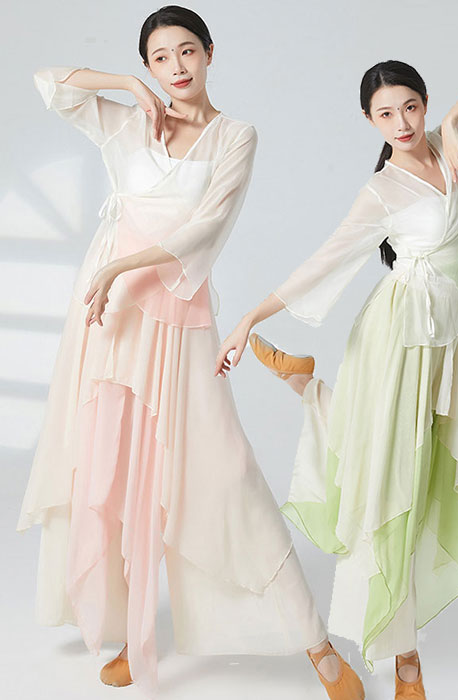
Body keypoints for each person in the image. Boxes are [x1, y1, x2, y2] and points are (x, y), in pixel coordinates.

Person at [17, 6, 364, 698]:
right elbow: (48, 81)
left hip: (174, 318)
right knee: (115, 470)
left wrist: (121, 266)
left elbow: (207, 227)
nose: (175, 68)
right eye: (158, 58)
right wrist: (124, 84)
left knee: (224, 471)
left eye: (186, 52)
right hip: (110, 322)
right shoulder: (125, 122)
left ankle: (315, 642)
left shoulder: (235, 136)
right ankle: (133, 632)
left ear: (209, 52)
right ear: (147, 67)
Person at [216, 56, 458, 700]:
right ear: (368, 121)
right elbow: (322, 261)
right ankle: (404, 654)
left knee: (424, 476)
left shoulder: (450, 143)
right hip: (398, 335)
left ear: (425, 103)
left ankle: (308, 387)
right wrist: (248, 318)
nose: (401, 123)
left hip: (446, 344)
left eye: (411, 107)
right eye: (385, 114)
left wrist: (454, 124)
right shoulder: (381, 191)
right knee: (391, 483)